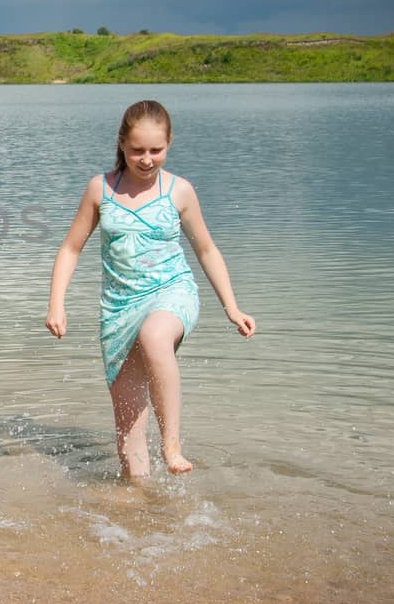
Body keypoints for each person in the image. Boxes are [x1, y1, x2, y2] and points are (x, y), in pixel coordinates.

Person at [45, 100, 255, 478]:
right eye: (137, 150)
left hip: (172, 292)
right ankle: (139, 509)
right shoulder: (100, 189)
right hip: (118, 308)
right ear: (122, 145)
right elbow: (70, 248)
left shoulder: (180, 191)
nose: (146, 159)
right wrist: (56, 305)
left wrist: (232, 307)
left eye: (156, 150)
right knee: (129, 437)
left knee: (155, 336)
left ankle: (172, 446)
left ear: (169, 144)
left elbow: (206, 249)